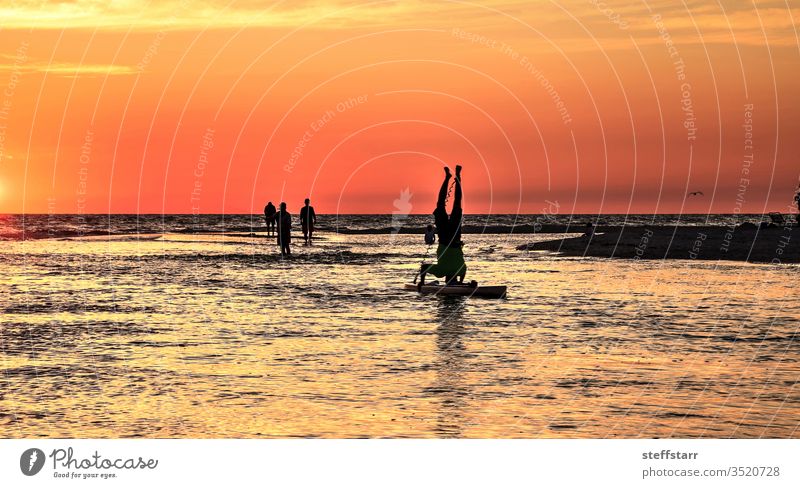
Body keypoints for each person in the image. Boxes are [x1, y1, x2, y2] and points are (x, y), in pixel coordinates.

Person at [418, 165, 467, 287]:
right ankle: (453, 177)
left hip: (449, 238)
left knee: (454, 203)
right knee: (448, 203)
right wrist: (422, 282)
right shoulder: (445, 271)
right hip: (448, 238)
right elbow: (424, 267)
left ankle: (454, 177)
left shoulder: (460, 269)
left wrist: (422, 284)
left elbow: (462, 277)